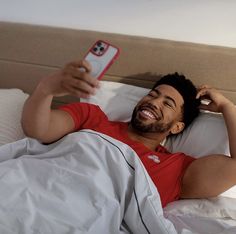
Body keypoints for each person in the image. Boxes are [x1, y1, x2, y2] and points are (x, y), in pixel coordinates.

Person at [21, 59, 236, 207]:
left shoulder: (176, 168)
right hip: (34, 189)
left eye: (167, 103)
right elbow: (37, 130)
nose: (153, 102)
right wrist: (46, 89)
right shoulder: (92, 117)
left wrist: (228, 107)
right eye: (153, 94)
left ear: (177, 127)